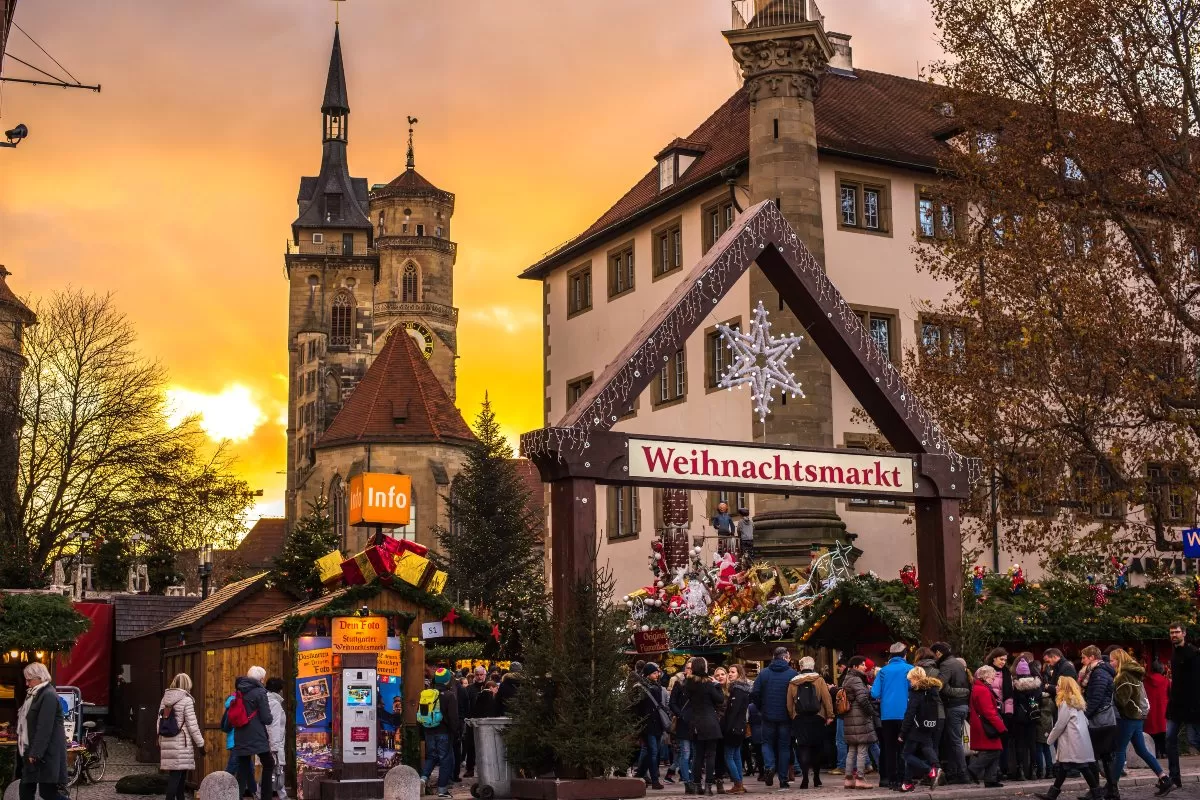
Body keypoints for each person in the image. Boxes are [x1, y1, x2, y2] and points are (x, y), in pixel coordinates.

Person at [1109, 649, 1172, 796]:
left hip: (1127, 717)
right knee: (1141, 750)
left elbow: (1122, 700)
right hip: (1137, 717)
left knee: (1119, 751)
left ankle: (1112, 787)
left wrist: (1111, 692)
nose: (1110, 663)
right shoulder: (1134, 673)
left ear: (1119, 660)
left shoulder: (1123, 675)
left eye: (1112, 660)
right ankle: (1164, 778)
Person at [1036, 677, 1102, 800]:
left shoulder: (1066, 703)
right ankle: (1052, 795)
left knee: (1081, 767)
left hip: (1072, 741)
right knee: (1066, 767)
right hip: (1079, 740)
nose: (1056, 687)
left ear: (1064, 688)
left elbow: (1060, 724)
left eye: (1059, 685)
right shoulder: (1077, 702)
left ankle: (1097, 795)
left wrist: (1050, 739)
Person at [17, 663, 68, 800]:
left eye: (29, 680)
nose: (27, 684)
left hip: (46, 753)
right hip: (34, 750)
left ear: (40, 677)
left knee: (48, 793)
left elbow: (44, 727)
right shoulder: (36, 694)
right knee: (26, 789)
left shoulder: (48, 695)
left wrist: (35, 753)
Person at [749, 646, 797, 788]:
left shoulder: (764, 674)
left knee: (767, 743)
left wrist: (761, 708)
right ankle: (783, 779)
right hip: (786, 716)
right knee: (784, 747)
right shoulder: (792, 674)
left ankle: (769, 767)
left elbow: (755, 693)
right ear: (785, 657)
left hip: (767, 715)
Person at [787, 656, 833, 789]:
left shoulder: (793, 682)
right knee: (817, 747)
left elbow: (789, 703)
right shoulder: (819, 680)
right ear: (812, 666)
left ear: (800, 667)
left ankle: (805, 779)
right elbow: (826, 698)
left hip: (800, 718)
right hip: (817, 717)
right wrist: (829, 715)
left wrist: (793, 716)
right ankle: (817, 777)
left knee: (803, 748)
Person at [870, 642, 911, 789]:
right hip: (905, 714)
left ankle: (890, 779)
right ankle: (903, 778)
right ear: (905, 654)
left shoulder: (883, 671)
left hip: (887, 715)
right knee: (904, 748)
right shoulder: (910, 669)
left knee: (889, 748)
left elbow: (874, 693)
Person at [1165, 622, 1200, 792]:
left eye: (1177, 632)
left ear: (1184, 633)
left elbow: (1196, 682)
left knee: (1194, 740)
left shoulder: (1193, 653)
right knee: (1170, 739)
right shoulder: (1174, 653)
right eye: (1171, 632)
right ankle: (1174, 777)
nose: (1174, 635)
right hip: (1176, 706)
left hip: (1192, 706)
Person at [158, 673, 205, 800]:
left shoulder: (165, 699)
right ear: (187, 684)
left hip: (167, 740)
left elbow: (159, 722)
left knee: (180, 775)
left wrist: (160, 739)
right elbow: (192, 725)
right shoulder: (186, 700)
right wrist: (200, 744)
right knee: (176, 776)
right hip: (181, 742)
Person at [1079, 645, 1117, 797]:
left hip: (1100, 721)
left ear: (1092, 657)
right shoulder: (1098, 672)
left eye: (1084, 657)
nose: (1082, 661)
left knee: (1093, 757)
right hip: (1104, 720)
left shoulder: (1099, 673)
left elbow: (1096, 698)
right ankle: (1110, 791)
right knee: (1105, 757)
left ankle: (1098, 791)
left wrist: (1085, 715)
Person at [931, 641, 971, 785]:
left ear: (938, 653)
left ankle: (963, 773)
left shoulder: (946, 665)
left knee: (954, 742)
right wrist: (965, 692)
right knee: (955, 741)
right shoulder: (957, 662)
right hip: (962, 706)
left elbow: (939, 686)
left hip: (953, 706)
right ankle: (955, 772)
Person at [232, 666, 275, 800]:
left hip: (240, 734)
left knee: (243, 768)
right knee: (269, 763)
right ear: (261, 679)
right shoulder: (260, 692)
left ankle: (237, 796)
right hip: (257, 735)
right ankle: (266, 797)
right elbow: (267, 719)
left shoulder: (239, 690)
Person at [898, 666, 942, 793]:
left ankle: (930, 771)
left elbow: (910, 713)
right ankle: (908, 783)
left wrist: (903, 732)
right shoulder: (931, 690)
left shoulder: (916, 692)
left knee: (906, 755)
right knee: (927, 747)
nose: (910, 682)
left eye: (911, 679)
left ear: (916, 678)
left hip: (915, 728)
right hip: (929, 725)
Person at [686, 658, 726, 796]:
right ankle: (708, 786)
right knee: (711, 755)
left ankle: (697, 785)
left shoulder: (689, 683)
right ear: (704, 667)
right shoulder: (709, 684)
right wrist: (718, 686)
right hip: (710, 722)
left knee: (697, 755)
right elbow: (720, 699)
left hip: (696, 723)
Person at [419, 667, 460, 799]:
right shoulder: (450, 695)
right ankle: (442, 790)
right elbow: (453, 718)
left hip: (428, 730)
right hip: (444, 733)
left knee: (431, 756)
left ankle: (423, 778)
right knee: (445, 760)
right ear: (448, 680)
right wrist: (456, 733)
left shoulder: (427, 694)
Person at [839, 656, 877, 790]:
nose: (865, 667)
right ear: (855, 667)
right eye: (862, 665)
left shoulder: (847, 679)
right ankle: (860, 778)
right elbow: (862, 699)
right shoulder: (856, 679)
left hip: (850, 717)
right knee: (862, 749)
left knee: (852, 749)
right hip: (860, 717)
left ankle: (848, 779)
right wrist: (872, 712)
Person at [968, 664, 1007, 788]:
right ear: (985, 677)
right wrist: (1001, 727)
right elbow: (989, 711)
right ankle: (973, 769)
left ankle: (990, 779)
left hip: (982, 724)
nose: (993, 679)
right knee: (993, 750)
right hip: (986, 725)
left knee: (993, 750)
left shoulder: (979, 688)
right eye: (991, 677)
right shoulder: (983, 690)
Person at [633, 662, 668, 790]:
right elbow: (637, 708)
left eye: (657, 672)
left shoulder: (657, 686)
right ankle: (654, 780)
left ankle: (640, 774)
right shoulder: (640, 687)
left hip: (657, 724)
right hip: (648, 725)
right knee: (652, 752)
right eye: (654, 673)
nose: (657, 675)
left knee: (652, 751)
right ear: (648, 674)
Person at [1010, 652, 1042, 782]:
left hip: (1019, 717)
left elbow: (1013, 701)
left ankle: (1020, 770)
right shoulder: (1036, 684)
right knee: (1032, 744)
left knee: (1020, 744)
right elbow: (1039, 699)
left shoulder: (1015, 685)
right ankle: (1034, 771)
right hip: (1033, 717)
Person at [983, 648, 1014, 778]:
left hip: (1003, 711)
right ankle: (991, 771)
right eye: (1001, 659)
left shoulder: (1007, 673)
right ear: (994, 658)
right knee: (991, 741)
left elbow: (1009, 695)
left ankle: (1003, 769)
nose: (1003, 662)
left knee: (1004, 741)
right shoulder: (985, 670)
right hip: (991, 710)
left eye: (1005, 660)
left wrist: (1008, 712)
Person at [722, 665, 752, 794]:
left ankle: (737, 784)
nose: (730, 674)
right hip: (740, 726)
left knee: (729, 756)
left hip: (733, 727)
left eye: (732, 672)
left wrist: (727, 728)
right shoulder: (743, 689)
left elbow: (733, 712)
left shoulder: (737, 690)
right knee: (736, 755)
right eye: (729, 672)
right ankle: (740, 783)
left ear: (739, 674)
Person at [224, 691, 257, 796]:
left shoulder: (232, 702)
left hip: (236, 740)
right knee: (232, 767)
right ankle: (222, 790)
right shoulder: (239, 702)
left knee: (248, 767)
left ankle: (251, 791)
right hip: (238, 740)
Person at [670, 665, 695, 791]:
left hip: (696, 724)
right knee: (686, 754)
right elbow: (672, 703)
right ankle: (687, 781)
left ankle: (693, 779)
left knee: (694, 754)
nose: (689, 670)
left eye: (692, 668)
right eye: (688, 667)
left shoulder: (699, 684)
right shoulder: (679, 684)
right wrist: (681, 715)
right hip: (684, 724)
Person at [463, 666, 488, 778]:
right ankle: (470, 769)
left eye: (481, 675)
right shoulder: (469, 689)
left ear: (485, 675)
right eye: (477, 675)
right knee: (471, 746)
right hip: (472, 721)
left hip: (487, 720)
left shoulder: (488, 686)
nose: (479, 677)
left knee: (486, 746)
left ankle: (486, 769)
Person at [265, 677, 287, 800]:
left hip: (268, 741)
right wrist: (275, 747)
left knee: (269, 770)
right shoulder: (275, 704)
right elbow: (274, 726)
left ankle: (258, 793)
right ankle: (282, 795)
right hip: (274, 742)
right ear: (279, 690)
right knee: (276, 769)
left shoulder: (266, 701)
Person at [1144, 660, 1170, 760]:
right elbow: (1170, 695)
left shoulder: (1146, 681)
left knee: (1152, 734)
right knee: (1163, 733)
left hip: (1150, 710)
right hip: (1163, 710)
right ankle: (1164, 752)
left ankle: (1155, 752)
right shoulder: (1166, 681)